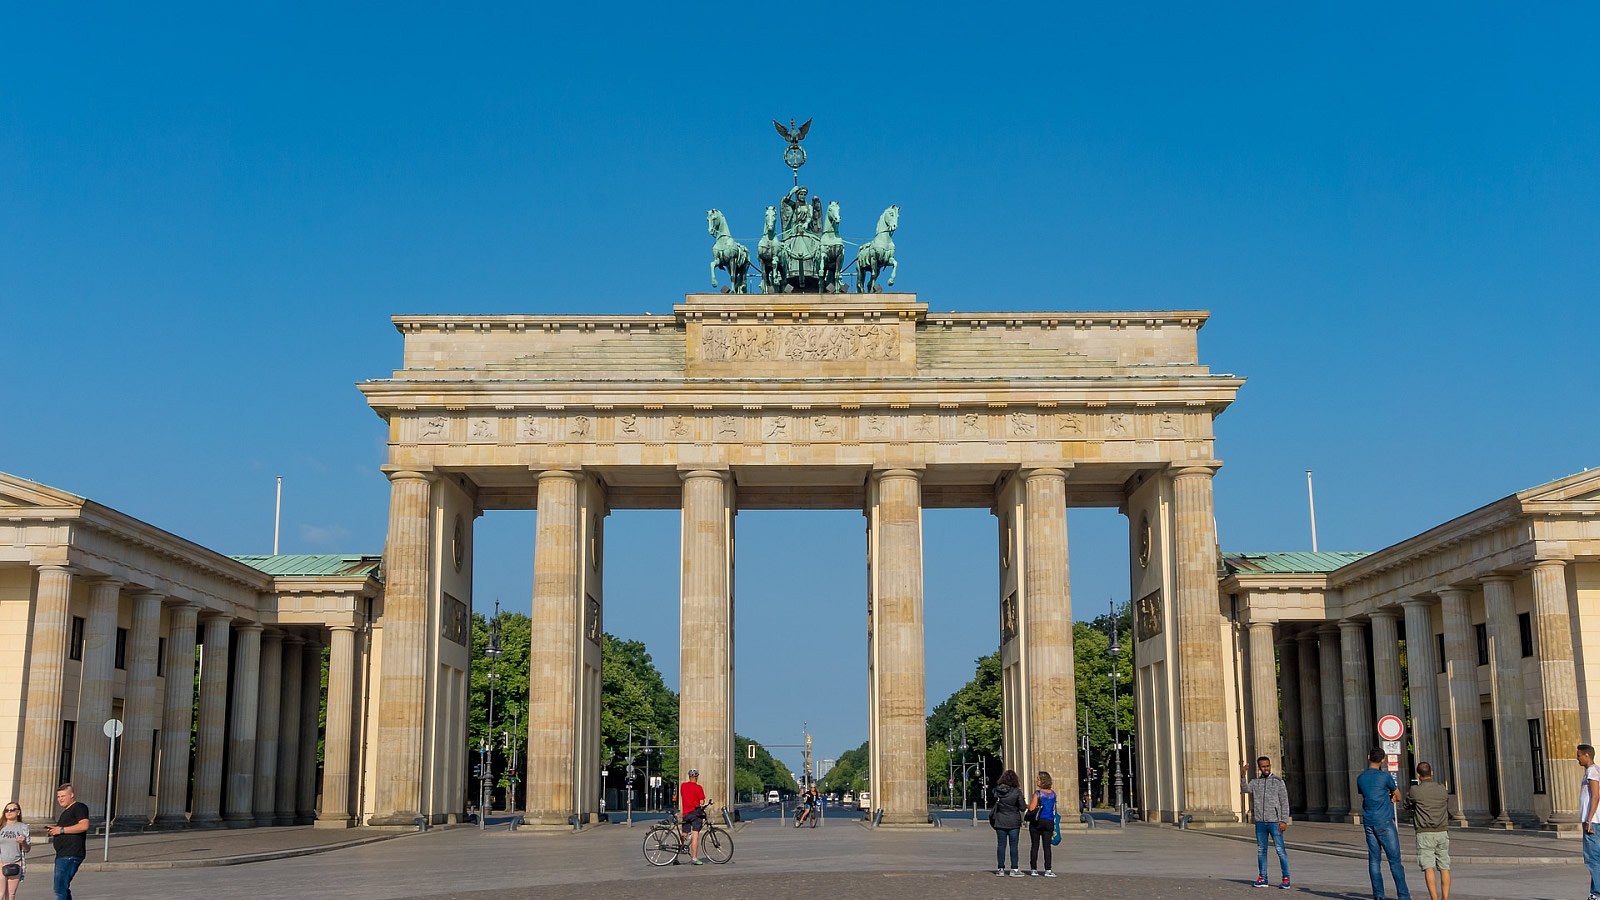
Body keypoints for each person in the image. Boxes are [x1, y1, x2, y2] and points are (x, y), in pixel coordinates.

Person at [1355, 749, 1410, 900]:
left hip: (1369, 821)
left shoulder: (1361, 778)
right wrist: (1392, 797)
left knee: (1374, 860)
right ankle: (1403, 895)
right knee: (1395, 861)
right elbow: (1398, 795)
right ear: (1383, 760)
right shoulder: (1385, 777)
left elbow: (1366, 794)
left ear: (1368, 757)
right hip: (1384, 820)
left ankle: (1378, 894)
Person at [1405, 762, 1458, 900]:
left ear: (1418, 775)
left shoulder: (1415, 790)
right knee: (1444, 866)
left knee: (1428, 867)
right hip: (1442, 831)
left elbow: (1407, 805)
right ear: (1432, 773)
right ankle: (1445, 898)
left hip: (1424, 832)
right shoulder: (1442, 788)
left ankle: (1434, 898)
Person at [1240, 756, 1292, 889]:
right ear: (1259, 768)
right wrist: (1243, 775)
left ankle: (1286, 878)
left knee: (1280, 850)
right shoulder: (1255, 782)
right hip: (1260, 822)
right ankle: (1263, 877)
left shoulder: (1278, 782)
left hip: (1275, 822)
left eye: (1267, 766)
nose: (1266, 768)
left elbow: (1284, 802)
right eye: (1263, 766)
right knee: (1261, 850)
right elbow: (1245, 789)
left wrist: (1284, 820)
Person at [43, 784, 87, 900]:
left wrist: (61, 830)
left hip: (70, 854)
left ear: (71, 795)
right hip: (63, 854)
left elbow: (84, 825)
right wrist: (55, 830)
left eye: (63, 796)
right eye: (58, 797)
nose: (60, 799)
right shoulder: (66, 812)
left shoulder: (79, 807)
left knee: (59, 889)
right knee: (62, 888)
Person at [989, 769, 1025, 877]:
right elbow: (1022, 807)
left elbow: (993, 801)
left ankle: (1000, 868)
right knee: (1013, 846)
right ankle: (1014, 868)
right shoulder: (1017, 792)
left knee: (1001, 845)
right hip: (1014, 821)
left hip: (1000, 820)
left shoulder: (997, 791)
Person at [1024, 771, 1058, 877]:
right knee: (1047, 847)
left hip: (1037, 821)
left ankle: (1034, 869)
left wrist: (1026, 805)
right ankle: (1048, 869)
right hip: (1049, 821)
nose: (1037, 781)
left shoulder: (1038, 793)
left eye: (1038, 779)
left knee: (1035, 845)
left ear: (1043, 781)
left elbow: (1032, 808)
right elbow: (1053, 808)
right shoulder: (1053, 794)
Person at [1578, 744, 1600, 900]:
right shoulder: (1594, 770)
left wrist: (1589, 819)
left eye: (1579, 755)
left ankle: (1597, 893)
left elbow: (1595, 796)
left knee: (1592, 859)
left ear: (1587, 755)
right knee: (1596, 859)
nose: (1577, 758)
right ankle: (1594, 893)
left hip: (1594, 822)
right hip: (1595, 821)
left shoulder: (1592, 771)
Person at [678, 769, 707, 866]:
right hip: (695, 814)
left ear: (689, 777)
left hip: (686, 813)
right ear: (697, 777)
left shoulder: (683, 786)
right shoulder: (698, 787)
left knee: (684, 833)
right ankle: (694, 858)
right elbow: (702, 802)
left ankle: (677, 853)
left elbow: (683, 796)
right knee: (695, 835)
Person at [0, 801, 28, 900]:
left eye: (12, 810)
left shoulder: (23, 827)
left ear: (18, 812)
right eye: (7, 810)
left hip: (15, 863)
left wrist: (23, 842)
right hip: (1, 862)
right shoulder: (1, 826)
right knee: (0, 893)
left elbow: (27, 849)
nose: (9, 812)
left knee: (11, 894)